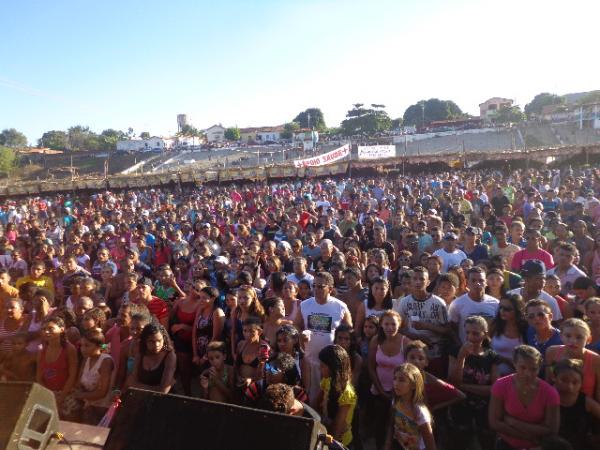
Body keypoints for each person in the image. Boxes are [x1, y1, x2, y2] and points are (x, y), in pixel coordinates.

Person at [488, 345, 560, 450]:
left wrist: (514, 423)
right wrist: (528, 437)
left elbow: (552, 429)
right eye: (523, 367)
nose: (528, 373)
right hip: (507, 445)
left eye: (533, 369)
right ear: (514, 364)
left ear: (539, 368)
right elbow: (494, 423)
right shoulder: (501, 385)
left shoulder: (550, 393)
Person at [295, 271, 352, 400]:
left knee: (329, 397)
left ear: (330, 289)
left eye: (320, 286)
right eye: (314, 285)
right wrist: (301, 334)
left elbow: (348, 331)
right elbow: (296, 325)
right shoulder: (304, 305)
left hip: (331, 362)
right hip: (309, 360)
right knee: (311, 395)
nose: (316, 289)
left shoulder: (341, 307)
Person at [447, 315, 499, 450]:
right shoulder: (455, 351)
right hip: (461, 407)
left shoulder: (491, 356)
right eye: (467, 333)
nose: (470, 337)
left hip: (484, 408)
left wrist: (464, 386)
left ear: (484, 334)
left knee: (486, 442)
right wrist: (461, 357)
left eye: (475, 333)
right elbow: (453, 382)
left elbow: (494, 389)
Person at [395, 267, 450, 378]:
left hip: (434, 353)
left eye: (422, 279)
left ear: (428, 282)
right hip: (413, 353)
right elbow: (398, 327)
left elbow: (447, 330)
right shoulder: (405, 302)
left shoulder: (438, 303)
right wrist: (415, 337)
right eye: (415, 279)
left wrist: (426, 326)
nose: (418, 282)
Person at [368, 310, 411, 449]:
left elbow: (411, 370)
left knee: (397, 426)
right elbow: (370, 367)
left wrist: (396, 391)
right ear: (381, 324)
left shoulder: (406, 342)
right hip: (378, 390)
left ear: (399, 324)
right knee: (379, 425)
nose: (390, 327)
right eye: (386, 324)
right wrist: (380, 390)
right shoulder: (376, 340)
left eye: (393, 324)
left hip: (400, 393)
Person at [545, 318, 600, 400]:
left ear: (588, 339)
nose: (573, 341)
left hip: (585, 408)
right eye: (568, 336)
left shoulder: (596, 360)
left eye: (579, 337)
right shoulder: (552, 352)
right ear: (561, 336)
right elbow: (548, 383)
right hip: (556, 402)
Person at [385, 362, 436, 450]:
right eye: (395, 379)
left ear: (413, 385)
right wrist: (387, 444)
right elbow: (392, 424)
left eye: (401, 380)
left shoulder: (419, 412)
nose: (396, 383)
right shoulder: (395, 402)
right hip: (399, 444)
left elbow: (430, 445)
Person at [315, 344, 357, 448]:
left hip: (340, 443)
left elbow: (337, 431)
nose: (320, 367)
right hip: (326, 433)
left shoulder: (347, 393)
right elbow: (314, 404)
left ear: (333, 367)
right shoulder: (327, 380)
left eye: (323, 365)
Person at [37, 316, 79, 418]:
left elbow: (72, 376)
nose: (46, 332)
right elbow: (39, 377)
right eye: (44, 329)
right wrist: (50, 396)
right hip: (48, 395)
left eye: (51, 328)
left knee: (64, 429)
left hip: (67, 394)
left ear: (62, 329)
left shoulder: (69, 349)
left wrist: (61, 397)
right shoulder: (42, 351)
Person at [169, 280, 204, 395]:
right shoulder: (180, 301)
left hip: (194, 340)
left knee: (191, 370)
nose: (195, 291)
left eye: (199, 290)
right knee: (181, 368)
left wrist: (182, 326)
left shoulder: (201, 305)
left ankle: (191, 394)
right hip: (179, 338)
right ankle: (184, 393)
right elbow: (170, 319)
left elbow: (198, 329)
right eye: (194, 287)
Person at [449, 267, 499, 343]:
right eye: (473, 280)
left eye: (481, 280)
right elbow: (452, 329)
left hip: (488, 350)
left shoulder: (495, 303)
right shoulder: (457, 303)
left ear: (486, 282)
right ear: (467, 282)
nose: (477, 283)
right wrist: (459, 346)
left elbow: (497, 328)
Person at [75, 329, 115, 425]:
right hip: (88, 405)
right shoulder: (87, 359)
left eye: (87, 345)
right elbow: (78, 383)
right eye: (82, 345)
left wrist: (80, 396)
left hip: (101, 409)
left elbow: (102, 392)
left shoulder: (106, 361)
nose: (83, 349)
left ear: (99, 347)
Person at [126, 323, 176, 393]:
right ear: (145, 341)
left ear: (164, 339)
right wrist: (155, 388)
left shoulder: (169, 356)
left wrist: (138, 386)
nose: (156, 345)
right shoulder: (141, 354)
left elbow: (163, 391)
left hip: (164, 400)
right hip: (142, 398)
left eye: (159, 340)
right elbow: (130, 382)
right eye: (151, 341)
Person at [490, 294, 527, 376]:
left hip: (518, 377)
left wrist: (506, 360)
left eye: (507, 309)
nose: (502, 311)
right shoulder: (495, 325)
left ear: (518, 310)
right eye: (500, 307)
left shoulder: (526, 328)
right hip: (494, 376)